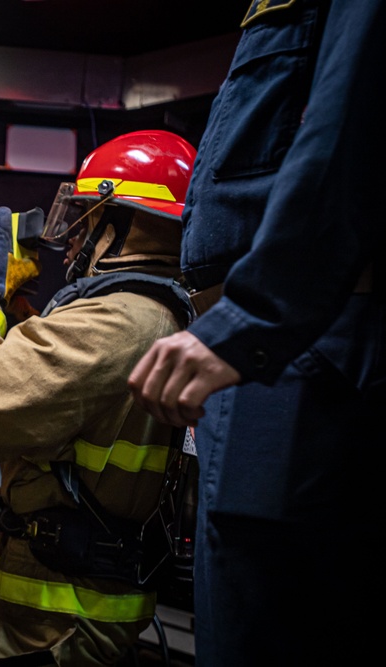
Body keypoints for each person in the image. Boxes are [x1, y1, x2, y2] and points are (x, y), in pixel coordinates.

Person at [127, 2, 384, 666]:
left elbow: (347, 126)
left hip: (299, 344)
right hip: (269, 343)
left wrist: (251, 318)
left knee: (267, 628)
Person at [0, 130, 197, 665]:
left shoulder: (121, 321)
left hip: (53, 628)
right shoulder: (143, 315)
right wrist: (14, 310)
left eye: (84, 221)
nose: (71, 242)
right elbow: (53, 391)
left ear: (126, 225)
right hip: (46, 608)